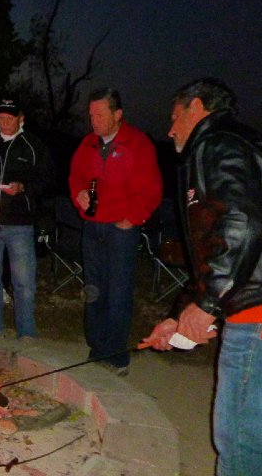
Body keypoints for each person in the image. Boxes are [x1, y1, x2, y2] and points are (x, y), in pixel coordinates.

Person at [143, 78, 262, 475]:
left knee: (239, 433)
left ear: (196, 107)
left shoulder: (218, 144)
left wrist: (210, 304)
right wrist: (178, 314)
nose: (169, 129)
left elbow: (242, 225)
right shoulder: (230, 143)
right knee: (256, 428)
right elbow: (213, 249)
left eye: (174, 117)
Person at [68, 88, 162, 374]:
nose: (93, 120)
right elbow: (77, 177)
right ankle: (97, 349)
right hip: (93, 225)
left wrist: (132, 218)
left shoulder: (137, 143)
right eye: (91, 114)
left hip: (121, 230)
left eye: (99, 114)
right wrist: (80, 194)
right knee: (94, 290)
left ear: (117, 114)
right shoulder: (87, 144)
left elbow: (152, 188)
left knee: (118, 292)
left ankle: (117, 356)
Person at [0, 98, 54, 340]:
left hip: (19, 224)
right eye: (1, 118)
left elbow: (46, 178)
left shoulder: (32, 146)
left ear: (21, 118)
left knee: (23, 281)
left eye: (10, 118)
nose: (4, 122)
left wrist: (23, 187)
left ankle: (26, 331)